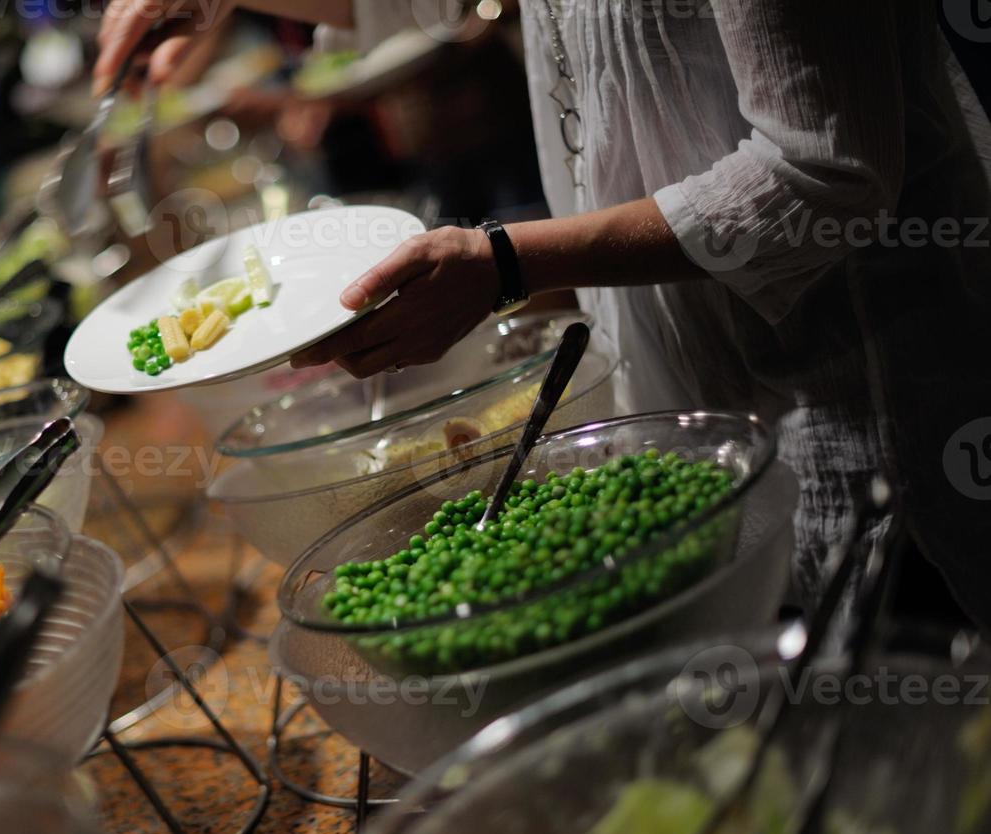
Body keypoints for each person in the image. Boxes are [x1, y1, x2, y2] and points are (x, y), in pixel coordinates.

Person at [94, 0, 991, 628]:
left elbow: (821, 174)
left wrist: (508, 265)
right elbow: (424, 3)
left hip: (873, 428)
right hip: (700, 402)